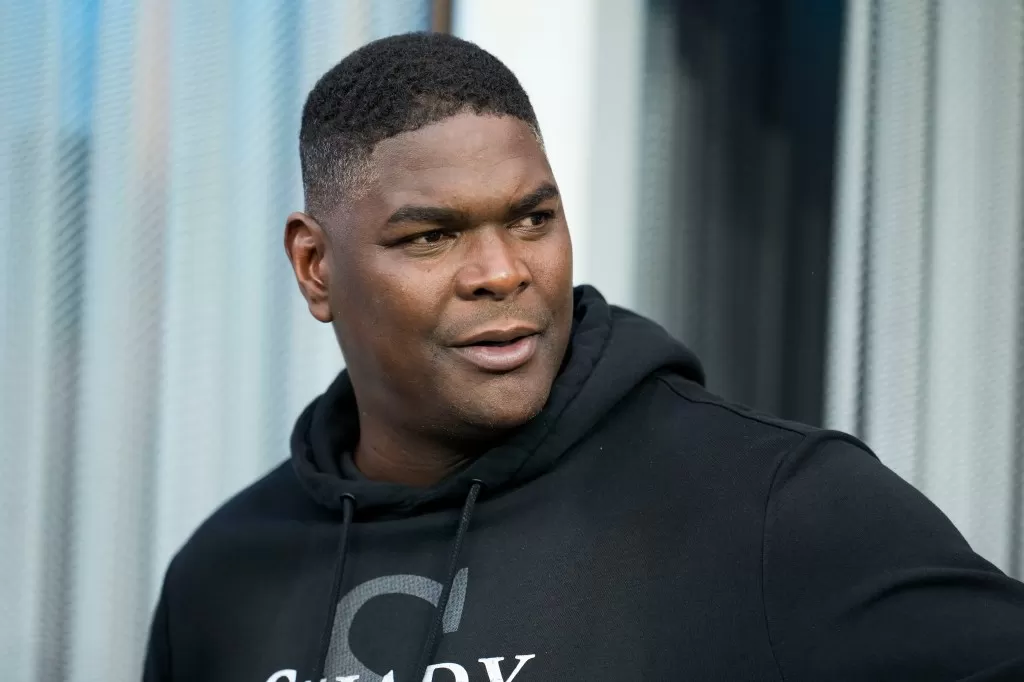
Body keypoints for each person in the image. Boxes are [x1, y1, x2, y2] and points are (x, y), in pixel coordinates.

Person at [143, 32, 1024, 682]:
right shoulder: (223, 580)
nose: (503, 272)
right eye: (432, 236)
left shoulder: (772, 506)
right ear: (316, 266)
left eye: (532, 218)